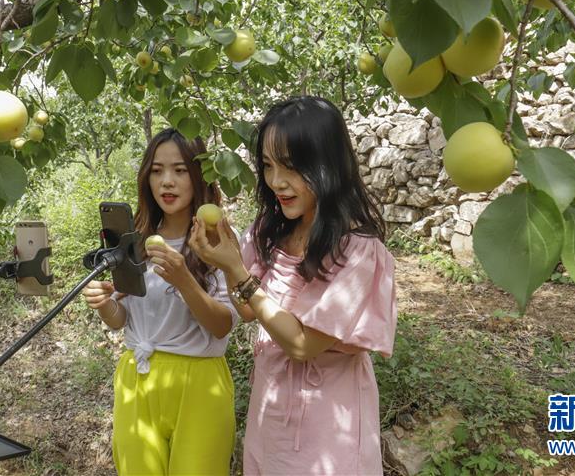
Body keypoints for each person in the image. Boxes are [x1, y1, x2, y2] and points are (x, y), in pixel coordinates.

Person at [190, 96, 396, 475]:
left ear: (328, 163)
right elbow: (248, 310)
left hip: (327, 430)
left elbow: (302, 344)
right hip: (271, 416)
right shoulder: (270, 231)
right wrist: (227, 262)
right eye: (268, 166)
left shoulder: (358, 251)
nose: (276, 181)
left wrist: (236, 270)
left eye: (290, 166)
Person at [82, 128, 237, 475]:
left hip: (200, 384)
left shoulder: (219, 242)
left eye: (180, 170)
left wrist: (184, 280)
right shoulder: (132, 241)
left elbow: (222, 325)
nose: (167, 181)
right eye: (157, 170)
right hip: (137, 379)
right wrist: (104, 302)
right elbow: (122, 320)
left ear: (198, 176)